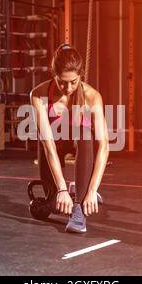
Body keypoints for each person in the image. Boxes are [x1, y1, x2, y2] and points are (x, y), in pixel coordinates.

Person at [29, 43, 109, 233]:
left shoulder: (92, 97)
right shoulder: (38, 95)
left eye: (73, 81)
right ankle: (68, 190)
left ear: (80, 75)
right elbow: (48, 146)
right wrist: (62, 190)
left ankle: (79, 208)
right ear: (53, 74)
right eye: (62, 82)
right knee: (54, 205)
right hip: (55, 146)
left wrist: (91, 190)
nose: (68, 87)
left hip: (83, 146)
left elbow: (104, 147)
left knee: (85, 135)